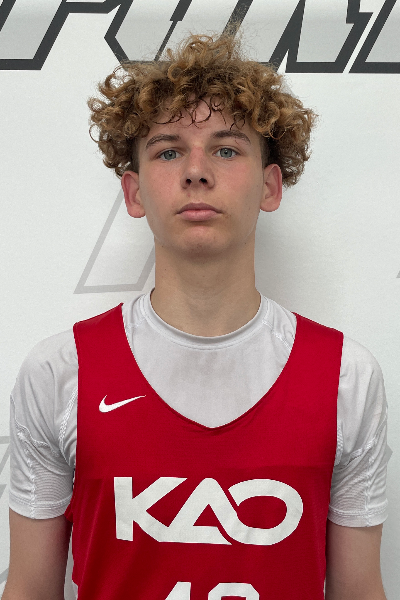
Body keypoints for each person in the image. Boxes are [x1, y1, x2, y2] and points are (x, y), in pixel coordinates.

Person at [4, 33, 391, 600]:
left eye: (226, 149)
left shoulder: (346, 379)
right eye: (167, 151)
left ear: (270, 185)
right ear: (134, 193)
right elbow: (29, 590)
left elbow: (359, 591)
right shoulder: (60, 373)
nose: (196, 172)